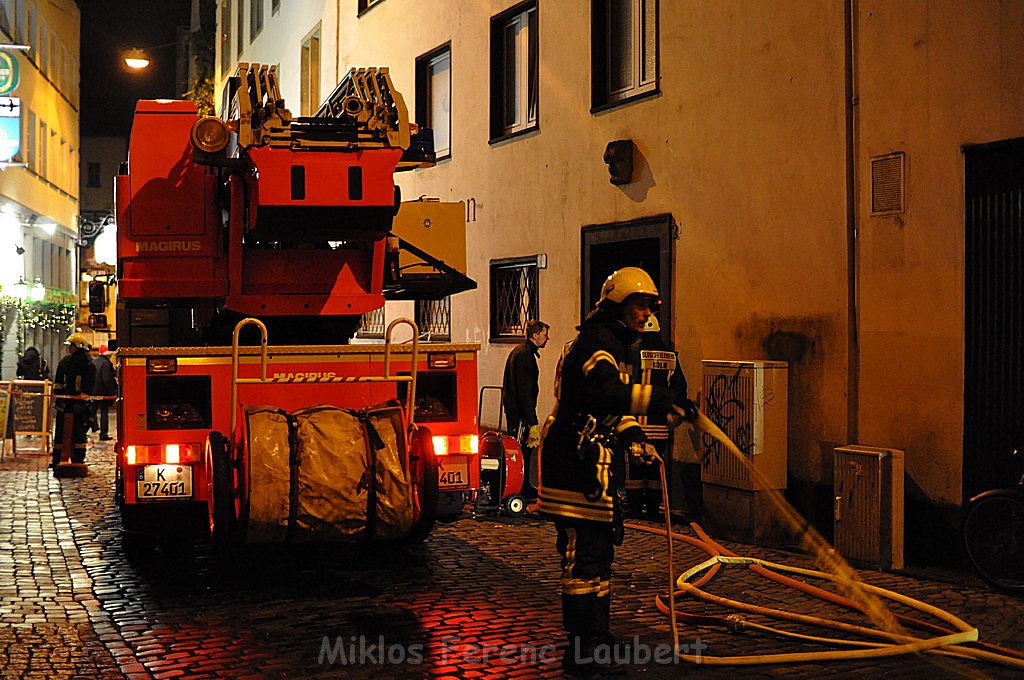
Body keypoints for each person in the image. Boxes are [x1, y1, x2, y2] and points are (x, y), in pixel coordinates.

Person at [537, 267, 697, 675]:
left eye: (649, 306)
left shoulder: (617, 343)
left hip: (592, 465)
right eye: (640, 305)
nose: (646, 314)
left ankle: (597, 636)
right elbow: (602, 392)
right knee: (582, 559)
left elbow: (610, 408)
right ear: (618, 304)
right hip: (573, 468)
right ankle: (580, 650)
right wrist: (661, 399)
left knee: (600, 556)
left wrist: (632, 438)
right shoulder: (596, 342)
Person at [625, 314, 689, 520]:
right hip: (660, 424)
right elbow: (679, 387)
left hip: (636, 423)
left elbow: (624, 384)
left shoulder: (633, 352)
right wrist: (674, 412)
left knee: (635, 469)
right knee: (655, 467)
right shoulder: (670, 355)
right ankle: (653, 509)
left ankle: (635, 508)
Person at [501, 319, 549, 498]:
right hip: (520, 413)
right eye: (545, 335)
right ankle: (521, 487)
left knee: (522, 449)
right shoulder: (526, 355)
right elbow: (524, 390)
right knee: (523, 450)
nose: (547, 338)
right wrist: (532, 421)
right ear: (535, 335)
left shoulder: (520, 351)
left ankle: (522, 485)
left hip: (516, 410)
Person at [52, 333, 96, 468]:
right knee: (69, 433)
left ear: (78, 346)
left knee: (72, 433)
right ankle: (68, 459)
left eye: (71, 346)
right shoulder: (79, 363)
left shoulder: (81, 364)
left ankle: (69, 459)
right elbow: (59, 382)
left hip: (73, 405)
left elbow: (88, 385)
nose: (69, 348)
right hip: (73, 404)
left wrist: (61, 398)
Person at [91, 345, 117, 441]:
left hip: (93, 392)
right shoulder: (106, 363)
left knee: (92, 411)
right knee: (104, 413)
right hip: (104, 393)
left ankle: (94, 427)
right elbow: (107, 380)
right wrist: (111, 393)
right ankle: (103, 433)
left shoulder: (94, 362)